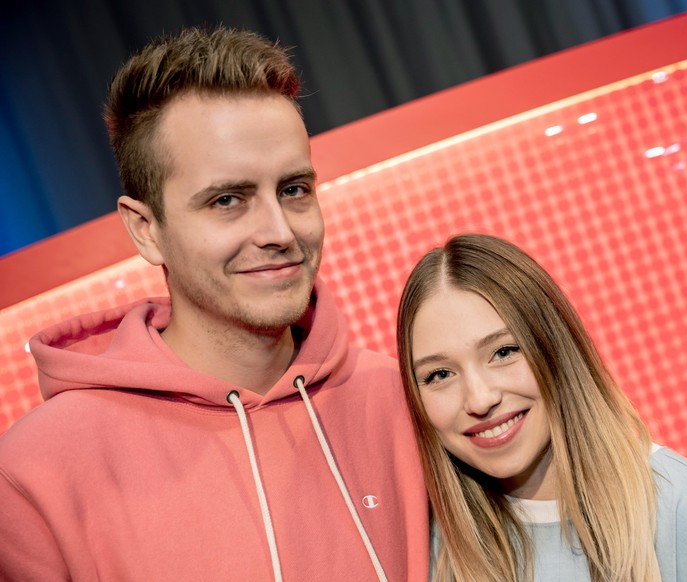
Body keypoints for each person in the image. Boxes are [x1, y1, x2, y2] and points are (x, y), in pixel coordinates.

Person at [0, 27, 428, 581]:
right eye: (228, 200)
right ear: (146, 229)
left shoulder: (404, 401)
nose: (278, 231)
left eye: (294, 189)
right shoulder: (36, 471)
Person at [396, 233, 687, 582]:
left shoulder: (674, 503)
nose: (480, 399)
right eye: (440, 375)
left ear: (556, 349)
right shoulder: (428, 548)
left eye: (504, 351)